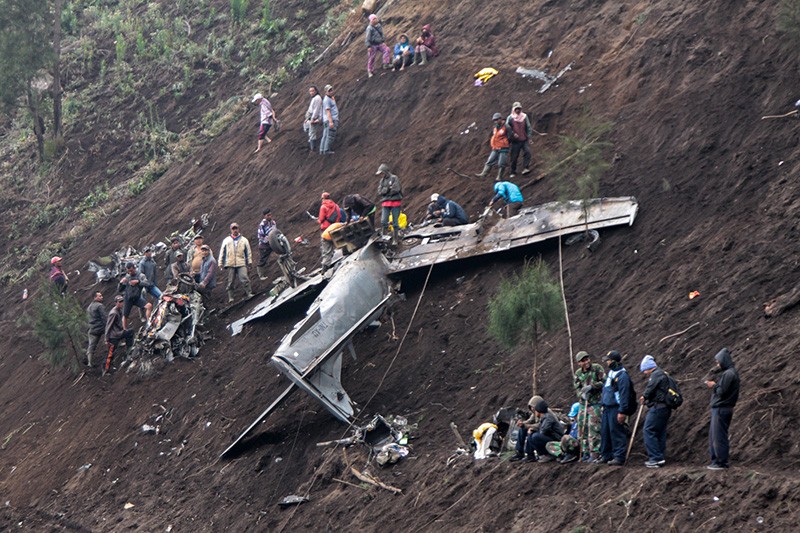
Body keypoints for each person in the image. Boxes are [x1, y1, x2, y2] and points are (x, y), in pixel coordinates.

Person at [705, 347, 740, 470]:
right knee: (715, 436)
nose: (717, 364)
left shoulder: (729, 374)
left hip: (721, 408)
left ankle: (721, 462)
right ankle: (716, 460)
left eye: (718, 361)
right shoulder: (730, 373)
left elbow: (721, 391)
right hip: (722, 408)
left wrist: (713, 385)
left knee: (719, 436)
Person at [600, 350, 635, 466]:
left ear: (614, 361)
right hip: (607, 407)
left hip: (616, 408)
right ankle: (606, 455)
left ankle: (619, 456)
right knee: (605, 432)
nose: (607, 363)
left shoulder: (622, 376)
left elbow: (624, 395)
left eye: (608, 360)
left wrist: (622, 411)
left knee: (616, 432)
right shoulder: (611, 373)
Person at [639, 355, 672, 468]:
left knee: (648, 430)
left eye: (644, 370)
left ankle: (655, 458)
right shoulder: (663, 374)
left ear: (649, 367)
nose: (644, 373)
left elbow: (650, 388)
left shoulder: (656, 374)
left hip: (659, 408)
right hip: (665, 407)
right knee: (660, 431)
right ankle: (660, 457)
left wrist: (644, 396)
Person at [573, 350, 605, 462]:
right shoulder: (578, 373)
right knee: (582, 428)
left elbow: (604, 382)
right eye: (583, 360)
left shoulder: (597, 368)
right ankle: (584, 452)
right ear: (579, 363)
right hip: (583, 405)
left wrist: (592, 386)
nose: (586, 362)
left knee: (594, 429)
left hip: (595, 404)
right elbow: (577, 387)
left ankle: (595, 453)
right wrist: (582, 394)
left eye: (587, 359)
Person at [219, 222, 254, 303]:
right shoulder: (226, 240)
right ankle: (231, 297)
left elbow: (248, 252)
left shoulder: (244, 240)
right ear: (231, 230)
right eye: (233, 229)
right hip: (230, 263)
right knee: (230, 281)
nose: (235, 230)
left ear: (238, 229)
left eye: (236, 228)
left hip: (241, 262)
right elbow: (222, 252)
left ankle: (249, 292)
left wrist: (249, 262)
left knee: (244, 278)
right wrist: (220, 263)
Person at [103, 295, 134, 375]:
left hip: (118, 333)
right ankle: (105, 370)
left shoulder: (119, 310)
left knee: (130, 333)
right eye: (119, 302)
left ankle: (129, 351)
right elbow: (108, 325)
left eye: (122, 301)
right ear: (115, 303)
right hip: (113, 336)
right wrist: (106, 338)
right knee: (110, 353)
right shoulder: (113, 313)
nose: (121, 303)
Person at [118, 262, 153, 329]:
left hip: (137, 298)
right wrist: (121, 283)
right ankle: (125, 330)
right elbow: (119, 290)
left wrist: (138, 282)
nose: (130, 272)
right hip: (128, 298)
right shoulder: (127, 277)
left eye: (131, 271)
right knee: (125, 315)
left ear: (134, 268)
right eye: (128, 271)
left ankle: (149, 324)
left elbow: (147, 284)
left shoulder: (140, 276)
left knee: (149, 306)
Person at [475, 113, 510, 180]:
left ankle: (499, 177)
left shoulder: (507, 127)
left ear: (500, 119)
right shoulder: (495, 127)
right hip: (495, 147)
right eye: (494, 120)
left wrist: (505, 142)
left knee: (501, 163)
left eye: (497, 120)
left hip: (503, 147)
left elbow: (510, 136)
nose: (496, 121)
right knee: (490, 160)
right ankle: (484, 174)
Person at [318, 192, 346, 273]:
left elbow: (321, 219)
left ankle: (325, 269)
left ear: (323, 198)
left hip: (326, 229)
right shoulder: (336, 206)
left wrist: (319, 220)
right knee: (340, 243)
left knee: (326, 249)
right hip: (335, 227)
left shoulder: (323, 207)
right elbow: (339, 216)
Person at [376, 163, 403, 243]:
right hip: (385, 203)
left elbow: (396, 189)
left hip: (395, 202)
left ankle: (395, 239)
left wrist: (386, 191)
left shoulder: (394, 178)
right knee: (384, 221)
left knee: (395, 222)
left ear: (385, 172)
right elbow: (379, 191)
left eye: (382, 173)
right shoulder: (382, 181)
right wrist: (387, 189)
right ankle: (384, 238)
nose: (381, 175)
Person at [506, 102, 533, 178]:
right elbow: (507, 128)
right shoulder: (510, 118)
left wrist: (529, 137)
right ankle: (512, 171)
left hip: (524, 139)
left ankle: (526, 167)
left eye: (519, 109)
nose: (518, 110)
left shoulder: (524, 116)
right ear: (513, 109)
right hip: (515, 141)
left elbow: (528, 127)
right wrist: (512, 134)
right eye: (516, 109)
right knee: (514, 157)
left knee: (527, 152)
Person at [365, 14, 391, 78]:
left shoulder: (379, 26)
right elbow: (367, 38)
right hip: (373, 45)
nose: (375, 20)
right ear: (371, 20)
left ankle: (386, 63)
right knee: (372, 58)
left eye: (376, 18)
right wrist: (368, 46)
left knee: (387, 49)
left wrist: (383, 41)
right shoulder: (369, 28)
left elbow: (381, 34)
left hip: (379, 43)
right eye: (374, 19)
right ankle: (370, 71)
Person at [86, 292, 107, 367]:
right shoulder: (99, 306)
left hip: (92, 329)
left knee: (91, 346)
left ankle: (89, 362)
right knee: (113, 334)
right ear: (95, 297)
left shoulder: (89, 307)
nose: (102, 297)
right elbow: (104, 318)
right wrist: (107, 327)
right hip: (100, 328)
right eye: (100, 296)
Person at [256, 208, 277, 281]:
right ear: (265, 216)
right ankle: (261, 275)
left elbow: (275, 231)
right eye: (268, 215)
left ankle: (289, 264)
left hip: (273, 241)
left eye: (270, 215)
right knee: (263, 259)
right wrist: (268, 240)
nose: (270, 216)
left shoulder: (273, 222)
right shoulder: (262, 225)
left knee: (282, 250)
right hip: (264, 244)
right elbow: (260, 236)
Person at [320, 85, 338, 155]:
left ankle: (322, 150)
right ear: (326, 92)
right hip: (330, 120)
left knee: (325, 135)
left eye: (331, 90)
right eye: (329, 90)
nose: (331, 91)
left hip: (327, 120)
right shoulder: (327, 100)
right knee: (330, 135)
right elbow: (328, 111)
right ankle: (326, 150)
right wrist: (331, 122)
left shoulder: (329, 98)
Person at [304, 85, 323, 153]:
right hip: (311, 116)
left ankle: (313, 149)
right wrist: (307, 118)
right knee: (307, 127)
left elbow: (316, 110)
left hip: (315, 117)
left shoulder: (317, 98)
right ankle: (311, 143)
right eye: (310, 91)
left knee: (312, 132)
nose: (311, 92)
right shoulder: (314, 98)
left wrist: (312, 119)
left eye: (312, 91)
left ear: (316, 91)